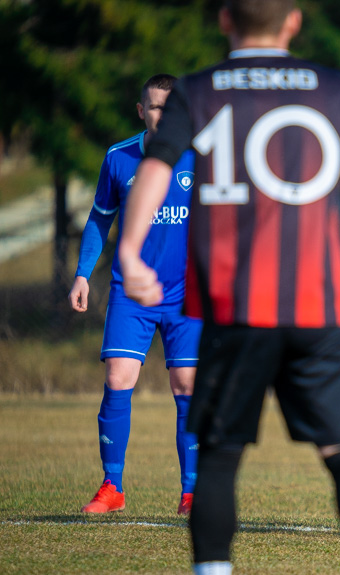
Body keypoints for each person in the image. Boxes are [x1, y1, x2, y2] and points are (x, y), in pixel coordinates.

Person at [116, 2, 340, 574]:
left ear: (225, 19)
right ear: (294, 21)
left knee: (221, 457)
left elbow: (156, 165)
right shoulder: (330, 86)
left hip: (234, 311)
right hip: (318, 309)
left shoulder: (200, 89)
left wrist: (129, 250)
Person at [70, 74, 200, 516]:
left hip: (187, 294)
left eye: (171, 107)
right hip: (132, 290)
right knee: (117, 380)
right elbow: (98, 218)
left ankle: (191, 491)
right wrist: (83, 273)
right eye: (155, 107)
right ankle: (112, 486)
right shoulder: (119, 157)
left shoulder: (202, 157)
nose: (163, 115)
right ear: (141, 110)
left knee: (186, 386)